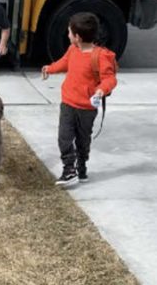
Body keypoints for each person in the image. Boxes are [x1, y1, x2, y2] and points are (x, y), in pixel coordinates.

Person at [41, 12, 118, 187]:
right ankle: (69, 169)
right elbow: (64, 63)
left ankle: (81, 166)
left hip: (87, 108)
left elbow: (110, 79)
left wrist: (101, 90)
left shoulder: (100, 56)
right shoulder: (73, 50)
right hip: (68, 103)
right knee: (64, 137)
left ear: (77, 37)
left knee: (83, 140)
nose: (67, 35)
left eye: (69, 32)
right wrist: (50, 68)